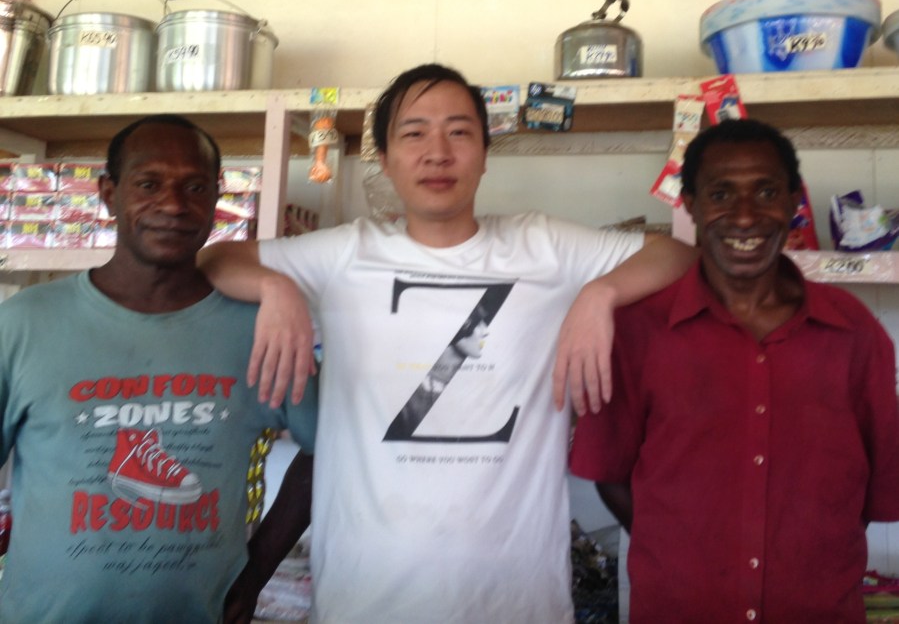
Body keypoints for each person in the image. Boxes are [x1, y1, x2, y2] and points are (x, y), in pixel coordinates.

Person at [198, 63, 698, 623]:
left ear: (484, 154)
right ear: (385, 158)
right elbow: (215, 259)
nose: (437, 153)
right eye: (414, 134)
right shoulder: (345, 253)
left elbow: (678, 255)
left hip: (519, 604)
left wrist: (600, 293)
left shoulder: (544, 246)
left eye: (459, 132)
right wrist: (276, 286)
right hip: (362, 603)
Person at [569, 118, 899, 623]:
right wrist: (682, 550)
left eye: (765, 192)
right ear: (691, 205)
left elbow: (874, 488)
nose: (745, 216)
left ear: (794, 200)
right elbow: (610, 475)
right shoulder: (638, 332)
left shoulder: (853, 331)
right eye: (721, 194)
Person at [0, 114, 317, 623]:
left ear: (217, 197)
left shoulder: (260, 330)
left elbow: (327, 449)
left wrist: (257, 569)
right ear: (108, 194)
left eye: (195, 187)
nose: (173, 205)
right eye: (149, 184)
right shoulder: (21, 325)